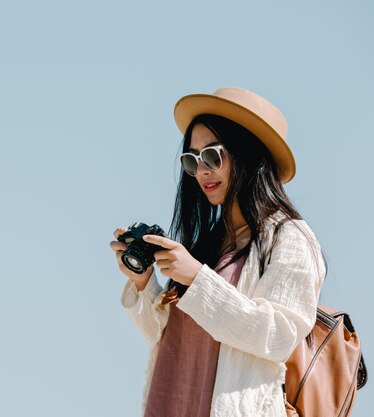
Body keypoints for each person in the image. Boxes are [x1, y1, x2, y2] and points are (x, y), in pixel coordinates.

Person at [109, 87, 326, 417]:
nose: (201, 171)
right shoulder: (211, 242)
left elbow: (279, 336)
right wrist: (144, 281)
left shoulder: (289, 236)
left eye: (212, 155)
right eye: (191, 160)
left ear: (248, 154)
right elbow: (163, 337)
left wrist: (197, 278)